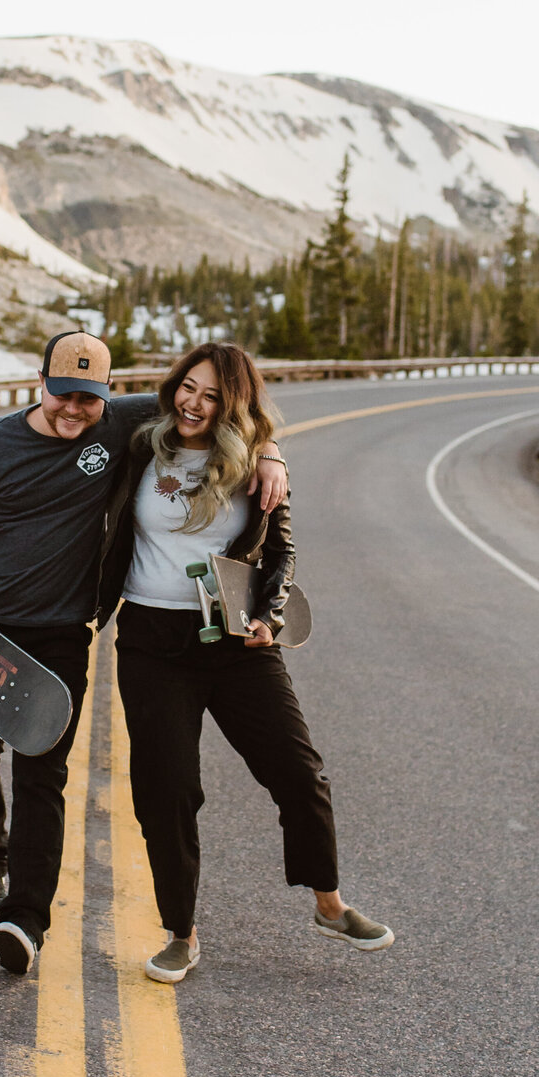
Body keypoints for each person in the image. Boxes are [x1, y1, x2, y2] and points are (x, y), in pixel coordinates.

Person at [0, 330, 288, 977]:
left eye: (88, 399)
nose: (74, 411)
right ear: (41, 383)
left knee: (42, 773)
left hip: (58, 635)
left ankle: (24, 920)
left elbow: (218, 411)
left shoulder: (118, 425)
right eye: (63, 396)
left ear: (104, 396)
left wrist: (271, 453)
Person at [97, 341, 393, 983]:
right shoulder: (141, 441)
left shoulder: (255, 467)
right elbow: (81, 408)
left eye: (211, 396)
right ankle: (181, 932)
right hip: (151, 640)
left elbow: (282, 554)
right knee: (167, 791)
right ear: (173, 384)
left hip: (233, 640)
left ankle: (329, 904)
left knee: (298, 772)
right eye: (187, 388)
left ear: (233, 406)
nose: (192, 404)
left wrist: (271, 616)